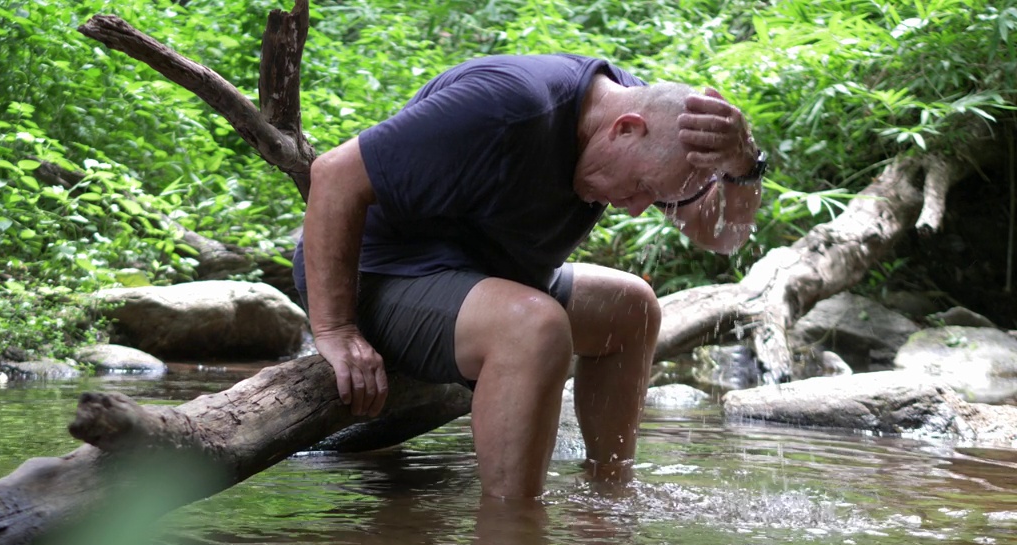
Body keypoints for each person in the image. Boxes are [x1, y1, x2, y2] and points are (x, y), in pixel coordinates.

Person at [292, 54, 764, 499]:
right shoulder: (503, 106)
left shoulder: (644, 120)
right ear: (625, 130)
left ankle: (608, 498)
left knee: (631, 308)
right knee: (534, 327)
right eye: (642, 188)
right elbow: (333, 176)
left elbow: (722, 237)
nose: (641, 208)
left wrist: (744, 166)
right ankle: (512, 537)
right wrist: (336, 330)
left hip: (488, 278)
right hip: (380, 274)